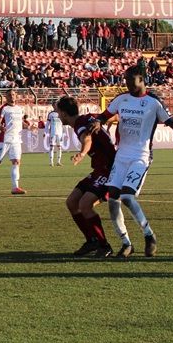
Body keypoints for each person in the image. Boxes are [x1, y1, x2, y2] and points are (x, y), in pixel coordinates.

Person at [99, 66, 173, 257]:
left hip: (141, 156)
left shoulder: (153, 102)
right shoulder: (121, 99)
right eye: (126, 80)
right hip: (121, 156)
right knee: (112, 200)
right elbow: (103, 117)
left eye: (132, 80)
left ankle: (149, 235)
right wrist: (97, 122)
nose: (128, 84)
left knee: (127, 196)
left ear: (142, 80)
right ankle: (126, 243)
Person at [56, 96, 116, 257]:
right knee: (72, 202)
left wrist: (82, 154)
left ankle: (104, 245)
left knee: (85, 204)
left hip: (110, 170)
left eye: (58, 112)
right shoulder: (89, 118)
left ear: (64, 113)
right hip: (99, 170)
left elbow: (87, 139)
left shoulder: (80, 124)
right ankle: (91, 241)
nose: (58, 116)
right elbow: (114, 116)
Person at [45, 100, 65, 166]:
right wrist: (45, 132)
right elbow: (47, 124)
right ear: (53, 106)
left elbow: (64, 123)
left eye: (56, 105)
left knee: (59, 147)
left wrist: (66, 132)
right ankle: (51, 162)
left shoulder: (61, 113)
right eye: (54, 105)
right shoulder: (51, 114)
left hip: (60, 133)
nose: (55, 106)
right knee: (51, 147)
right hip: (53, 132)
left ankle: (58, 162)